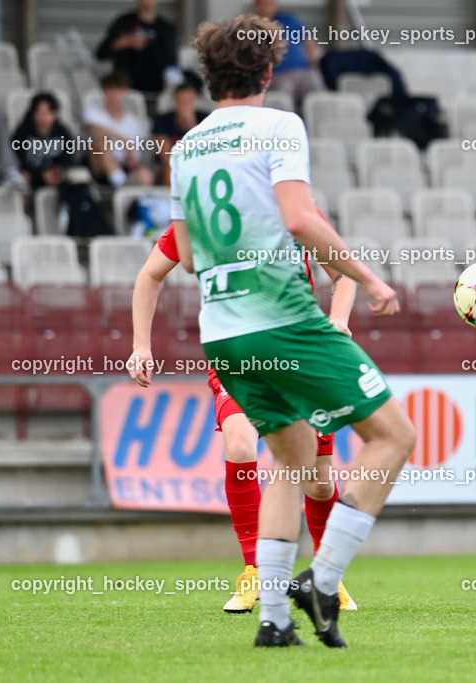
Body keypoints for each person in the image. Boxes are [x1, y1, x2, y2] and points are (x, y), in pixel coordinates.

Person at [167, 13, 415, 648]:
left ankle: (274, 619)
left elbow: (189, 258)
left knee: (289, 460)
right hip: (282, 321)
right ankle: (323, 579)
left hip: (222, 333)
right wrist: (372, 279)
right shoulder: (281, 125)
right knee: (394, 437)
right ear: (270, 72)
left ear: (209, 75)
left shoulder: (188, 146)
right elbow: (302, 220)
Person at [129, 218, 357, 614]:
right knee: (239, 445)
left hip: (301, 356)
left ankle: (326, 578)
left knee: (318, 484)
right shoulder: (201, 214)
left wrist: (338, 319)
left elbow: (345, 273)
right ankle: (254, 570)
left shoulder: (296, 213)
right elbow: (150, 275)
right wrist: (140, 346)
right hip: (238, 358)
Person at [84, 71, 155, 188]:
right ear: (104, 91)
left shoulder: (133, 121)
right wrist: (122, 139)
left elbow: (135, 154)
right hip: (97, 165)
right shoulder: (93, 112)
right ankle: (120, 184)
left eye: (118, 90)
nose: (114, 95)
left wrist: (133, 160)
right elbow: (91, 129)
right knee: (101, 142)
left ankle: (123, 186)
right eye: (110, 90)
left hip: (124, 166)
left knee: (146, 174)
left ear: (125, 92)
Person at [95, 0, 179, 96]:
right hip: (124, 88)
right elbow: (100, 54)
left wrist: (147, 47)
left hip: (153, 89)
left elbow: (170, 60)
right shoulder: (123, 23)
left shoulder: (165, 28)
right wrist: (119, 44)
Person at [253, 0, 325, 110]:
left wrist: (313, 56)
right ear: (257, 6)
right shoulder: (253, 27)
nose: (268, 8)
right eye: (265, 5)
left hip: (303, 70)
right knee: (284, 93)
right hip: (279, 73)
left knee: (316, 85)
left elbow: (308, 40)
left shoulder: (289, 19)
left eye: (271, 5)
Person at [11, 92, 79, 191]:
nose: (43, 117)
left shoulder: (62, 133)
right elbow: (18, 159)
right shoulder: (23, 132)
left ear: (54, 114)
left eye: (47, 112)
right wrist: (40, 175)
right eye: (40, 112)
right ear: (33, 114)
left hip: (55, 177)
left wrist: (56, 171)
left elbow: (68, 158)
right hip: (32, 176)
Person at [152, 80, 210, 186]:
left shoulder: (205, 119)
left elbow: (208, 151)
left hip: (198, 163)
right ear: (175, 101)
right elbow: (165, 155)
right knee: (170, 168)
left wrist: (192, 125)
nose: (185, 105)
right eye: (181, 101)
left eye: (188, 101)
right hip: (172, 165)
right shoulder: (163, 120)